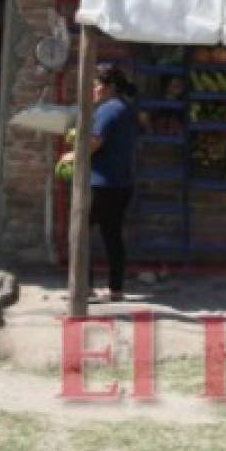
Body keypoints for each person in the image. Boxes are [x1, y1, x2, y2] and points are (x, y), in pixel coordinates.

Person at [77, 64, 138, 302]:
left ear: (109, 87)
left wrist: (74, 152)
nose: (93, 89)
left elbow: (93, 143)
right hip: (121, 183)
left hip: (101, 183)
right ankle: (116, 289)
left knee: (80, 233)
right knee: (112, 234)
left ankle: (85, 288)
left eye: (96, 85)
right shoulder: (127, 108)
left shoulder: (107, 110)